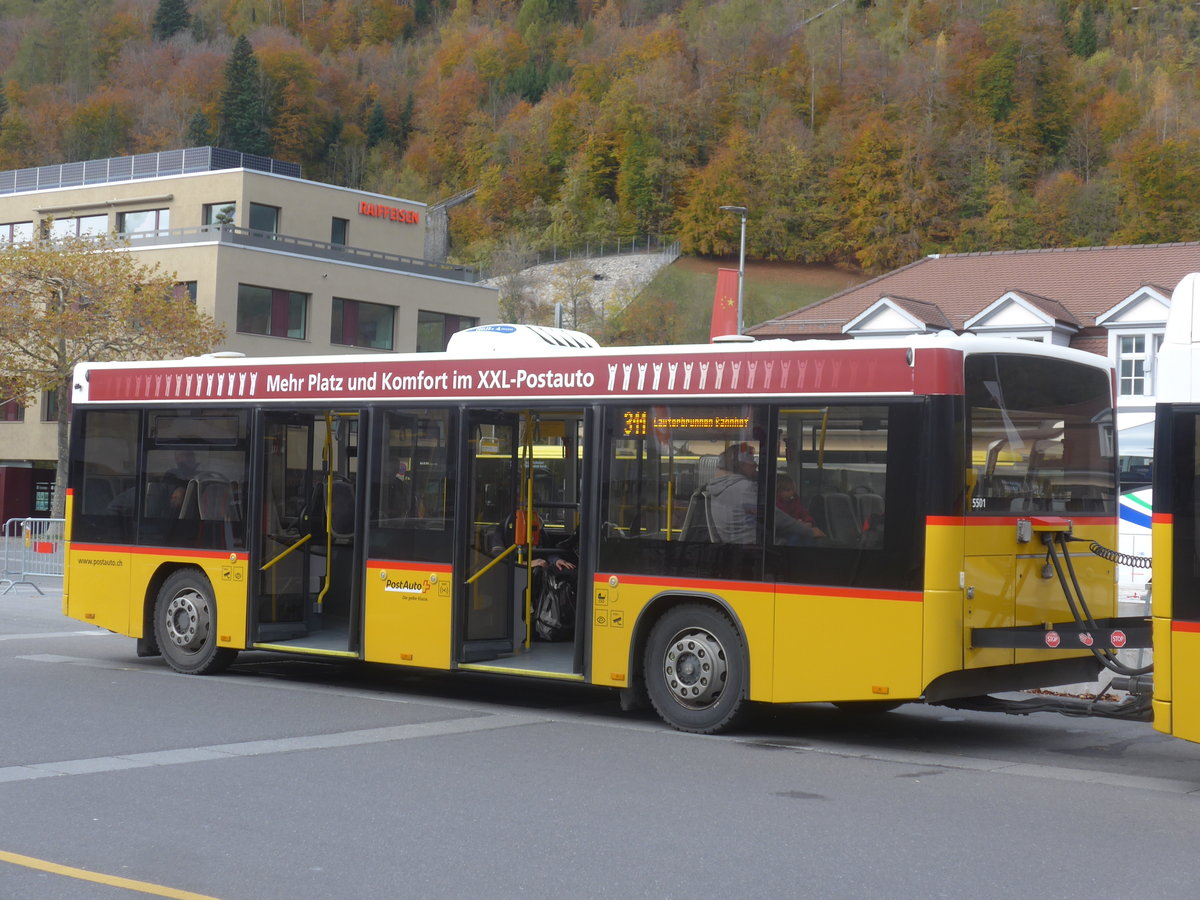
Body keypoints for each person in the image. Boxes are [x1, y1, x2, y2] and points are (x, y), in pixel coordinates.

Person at [708, 443, 821, 544]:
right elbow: (773, 515)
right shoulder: (744, 487)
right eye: (751, 461)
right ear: (740, 464)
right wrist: (809, 531)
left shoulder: (721, 487)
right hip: (759, 547)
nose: (755, 465)